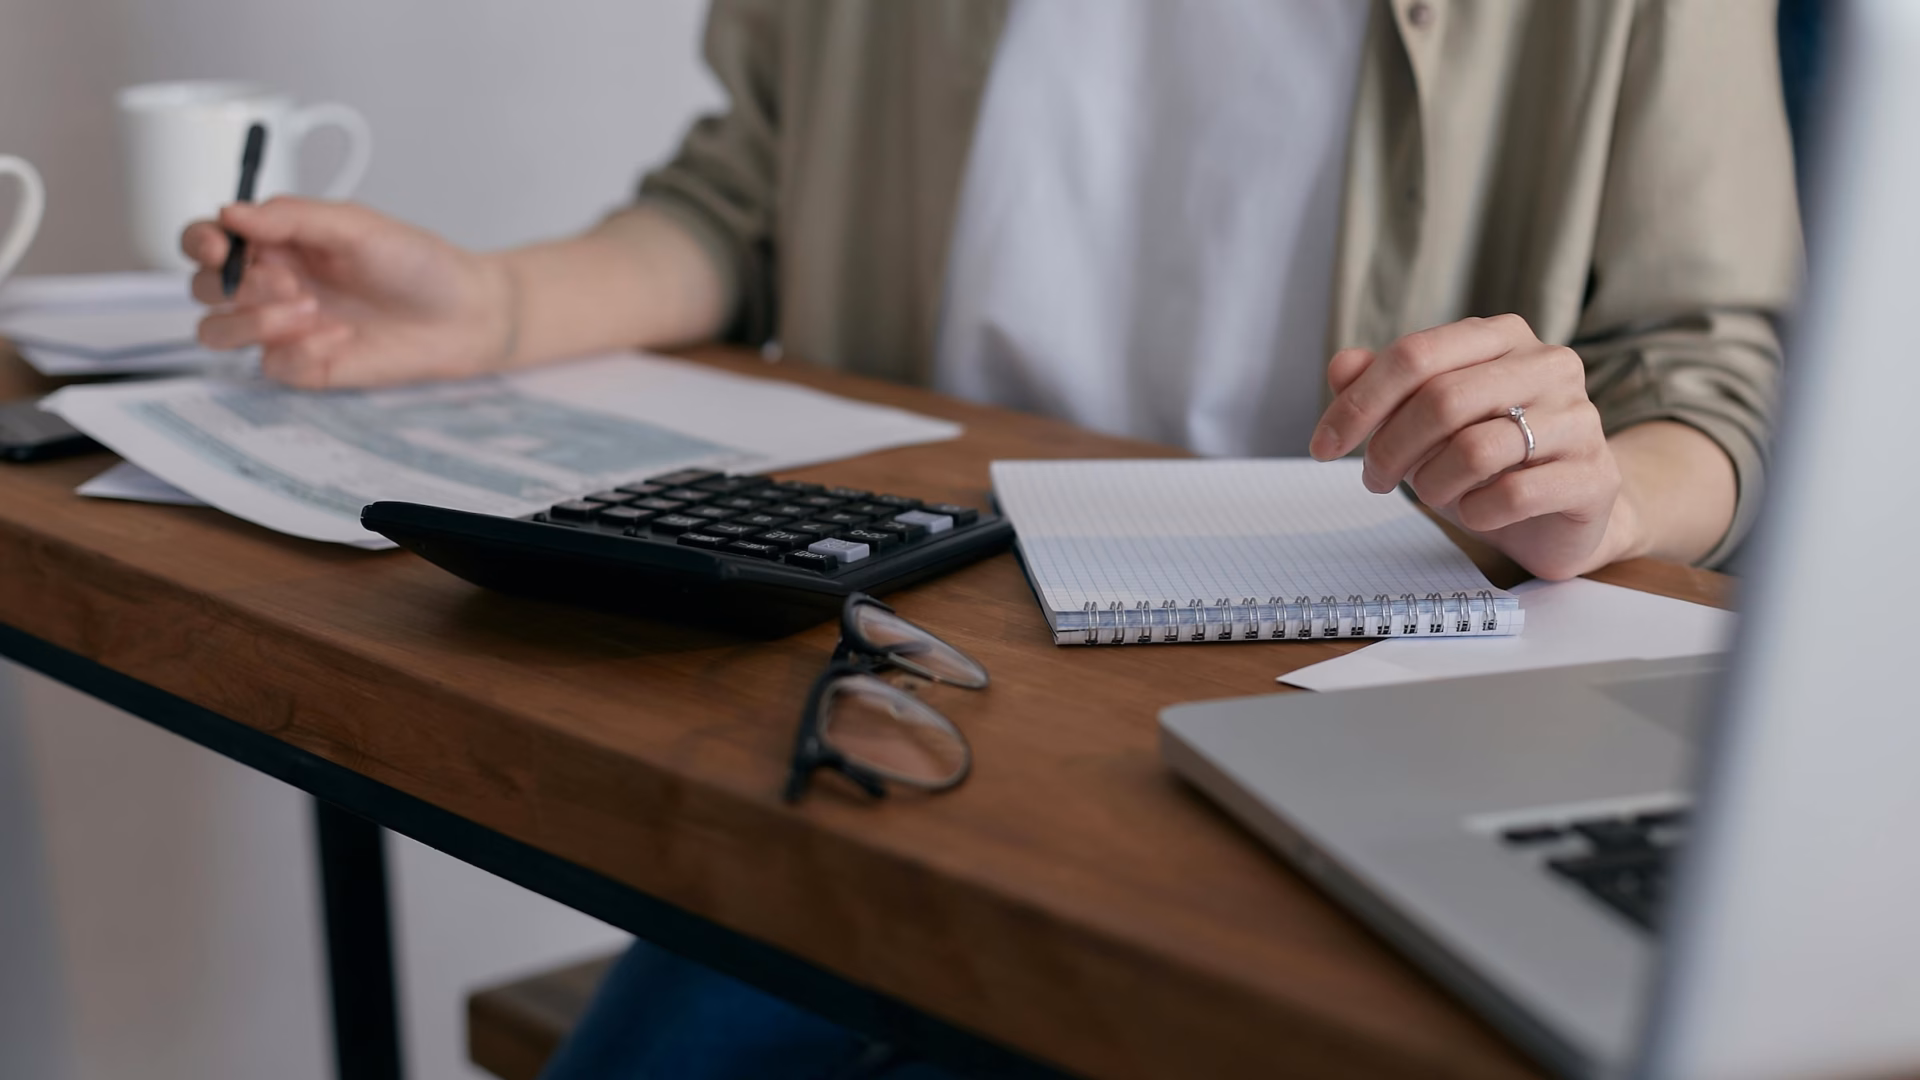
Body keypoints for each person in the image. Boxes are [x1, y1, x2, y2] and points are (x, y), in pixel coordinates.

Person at [181, 1, 1800, 1076]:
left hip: (1355, 706)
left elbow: (1713, 373)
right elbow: (745, 204)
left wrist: (1601, 493)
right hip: (903, 672)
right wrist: (499, 303)